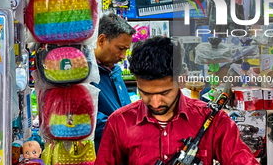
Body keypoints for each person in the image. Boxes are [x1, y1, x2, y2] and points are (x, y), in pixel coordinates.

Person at [95, 37, 260, 165]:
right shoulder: (119, 122)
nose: (155, 103)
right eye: (145, 93)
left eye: (164, 92)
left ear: (181, 80)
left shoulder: (212, 120)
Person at [91, 13, 135, 155]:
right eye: (120, 48)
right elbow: (85, 119)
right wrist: (128, 128)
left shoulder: (113, 70)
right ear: (102, 40)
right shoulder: (85, 74)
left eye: (126, 50)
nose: (123, 56)